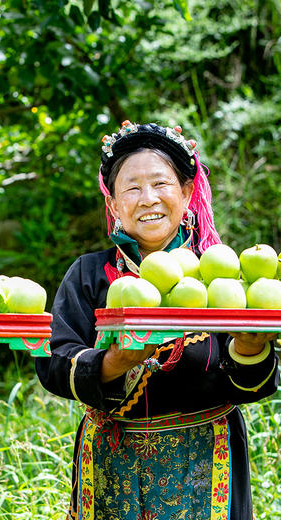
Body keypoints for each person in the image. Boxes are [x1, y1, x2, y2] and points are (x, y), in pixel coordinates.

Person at [36, 121, 280, 520]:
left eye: (160, 184)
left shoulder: (222, 279)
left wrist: (250, 348)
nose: (147, 198)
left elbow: (251, 386)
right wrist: (116, 362)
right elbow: (53, 363)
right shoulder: (88, 275)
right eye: (132, 188)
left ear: (186, 193)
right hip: (110, 461)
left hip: (206, 460)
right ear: (114, 204)